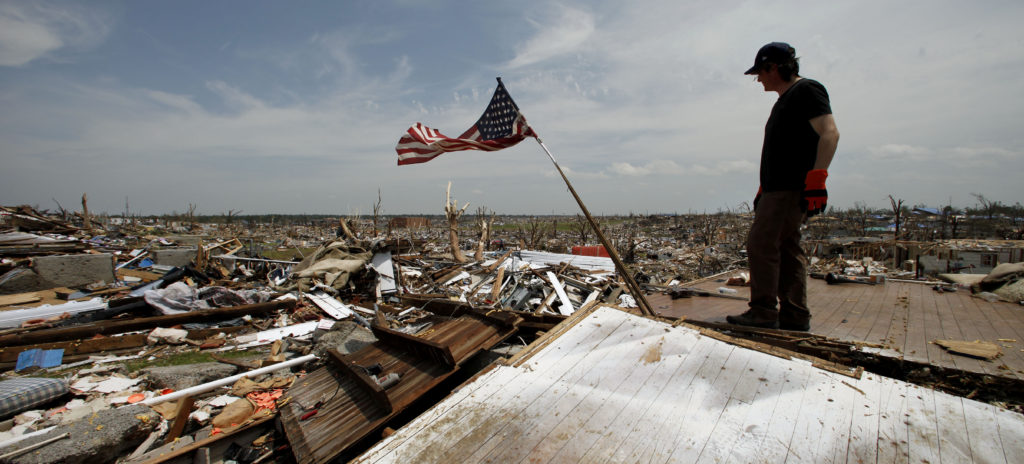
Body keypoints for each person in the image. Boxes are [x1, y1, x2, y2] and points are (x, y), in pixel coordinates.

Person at [726, 42, 840, 331]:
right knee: (787, 250)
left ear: (773, 68)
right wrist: (765, 188)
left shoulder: (806, 91)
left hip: (789, 190)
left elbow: (830, 134)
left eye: (760, 73)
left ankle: (763, 311)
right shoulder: (786, 100)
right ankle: (795, 314)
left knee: (761, 244)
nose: (758, 79)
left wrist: (817, 179)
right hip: (778, 189)